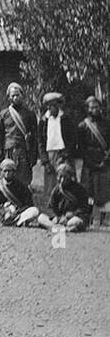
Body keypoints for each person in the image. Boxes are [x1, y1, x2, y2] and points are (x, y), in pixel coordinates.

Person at [37, 92, 78, 207]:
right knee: (51, 183)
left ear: (59, 106)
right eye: (49, 106)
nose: (52, 108)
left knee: (67, 179)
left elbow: (72, 138)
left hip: (64, 154)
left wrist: (66, 153)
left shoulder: (66, 119)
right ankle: (52, 209)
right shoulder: (43, 121)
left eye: (54, 106)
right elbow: (40, 141)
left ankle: (70, 206)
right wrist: (45, 160)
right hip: (50, 155)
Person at [0, 82, 38, 187]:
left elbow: (35, 137)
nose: (15, 98)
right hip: (8, 152)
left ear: (22, 96)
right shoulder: (3, 115)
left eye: (18, 95)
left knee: (23, 180)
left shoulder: (29, 114)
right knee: (8, 178)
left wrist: (33, 157)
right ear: (9, 97)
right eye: (12, 95)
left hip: (23, 152)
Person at [77, 95, 110, 225]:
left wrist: (106, 160)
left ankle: (103, 218)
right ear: (87, 109)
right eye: (92, 107)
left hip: (105, 161)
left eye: (97, 107)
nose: (95, 110)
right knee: (87, 190)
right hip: (89, 162)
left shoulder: (107, 124)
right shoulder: (82, 126)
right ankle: (87, 216)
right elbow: (81, 148)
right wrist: (91, 162)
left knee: (105, 190)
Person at [0, 159, 41, 228]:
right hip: (2, 214)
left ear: (14, 172)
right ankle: (7, 223)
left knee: (34, 210)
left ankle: (17, 222)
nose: (7, 173)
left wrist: (16, 212)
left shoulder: (21, 185)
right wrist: (3, 213)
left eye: (9, 171)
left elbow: (28, 204)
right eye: (5, 171)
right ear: (1, 172)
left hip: (17, 214)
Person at [37, 162, 92, 233]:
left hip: (74, 217)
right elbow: (51, 207)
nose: (62, 180)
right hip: (59, 219)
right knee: (41, 218)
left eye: (65, 177)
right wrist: (57, 217)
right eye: (60, 177)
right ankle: (61, 228)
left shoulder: (79, 189)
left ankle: (59, 228)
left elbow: (84, 207)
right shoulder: (56, 190)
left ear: (70, 177)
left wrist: (72, 214)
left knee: (74, 222)